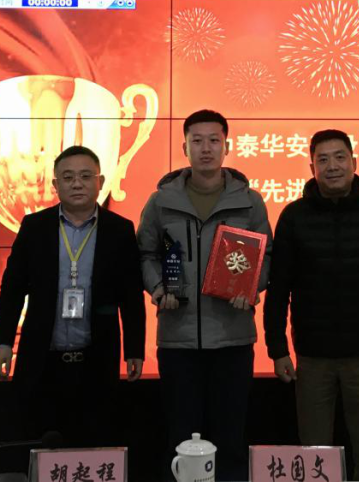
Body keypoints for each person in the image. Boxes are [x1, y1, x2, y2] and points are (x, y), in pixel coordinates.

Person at [263, 129, 359, 482]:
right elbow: (278, 288)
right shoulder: (293, 217)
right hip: (312, 360)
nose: (332, 166)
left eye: (339, 157)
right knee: (314, 457)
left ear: (354, 162)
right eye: (323, 159)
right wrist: (278, 350)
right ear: (312, 168)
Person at [136, 109, 272, 481]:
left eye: (214, 140)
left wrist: (251, 288)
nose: (206, 148)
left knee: (230, 437)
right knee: (180, 435)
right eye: (197, 141)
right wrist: (158, 288)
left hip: (232, 337)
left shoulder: (250, 201)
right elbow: (145, 254)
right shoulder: (161, 202)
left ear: (227, 146)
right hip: (178, 339)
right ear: (185, 148)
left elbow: (266, 257)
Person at [0, 145, 145, 447]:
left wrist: (134, 349)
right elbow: (12, 290)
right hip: (42, 360)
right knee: (39, 442)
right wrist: (3, 342)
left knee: (93, 442)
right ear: (55, 184)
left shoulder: (120, 230)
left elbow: (130, 295)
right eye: (68, 177)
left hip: (96, 360)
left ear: (101, 182)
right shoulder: (34, 227)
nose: (77, 184)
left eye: (86, 176)